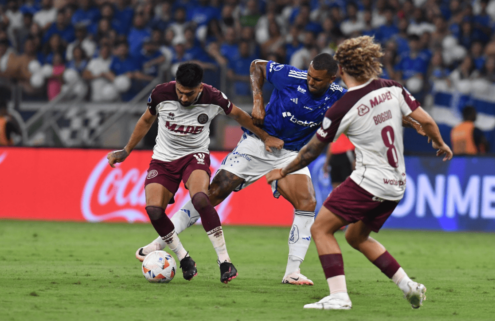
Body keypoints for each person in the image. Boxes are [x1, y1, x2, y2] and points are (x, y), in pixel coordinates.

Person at [266, 36, 452, 310]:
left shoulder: (342, 106)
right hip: (396, 184)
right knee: (355, 237)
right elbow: (426, 120)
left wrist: (282, 170)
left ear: (340, 70)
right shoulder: (393, 88)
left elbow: (309, 152)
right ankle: (408, 286)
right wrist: (439, 142)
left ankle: (339, 296)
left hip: (369, 181)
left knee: (320, 228)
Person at [136, 53, 347, 286]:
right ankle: (159, 242)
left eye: (317, 80)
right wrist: (258, 102)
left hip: (289, 154)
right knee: (211, 194)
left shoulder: (340, 98)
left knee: (307, 203)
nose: (310, 81)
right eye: (309, 75)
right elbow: (257, 65)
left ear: (332, 79)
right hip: (256, 144)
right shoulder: (290, 76)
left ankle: (292, 272)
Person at [107, 63, 283, 284]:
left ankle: (225, 261)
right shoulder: (161, 93)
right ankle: (184, 258)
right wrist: (126, 150)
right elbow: (145, 120)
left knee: (201, 198)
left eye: (188, 94)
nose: (183, 97)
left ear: (200, 88)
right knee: (153, 209)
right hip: (163, 159)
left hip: (194, 156)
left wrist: (265, 137)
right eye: (180, 91)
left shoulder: (214, 97)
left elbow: (240, 116)